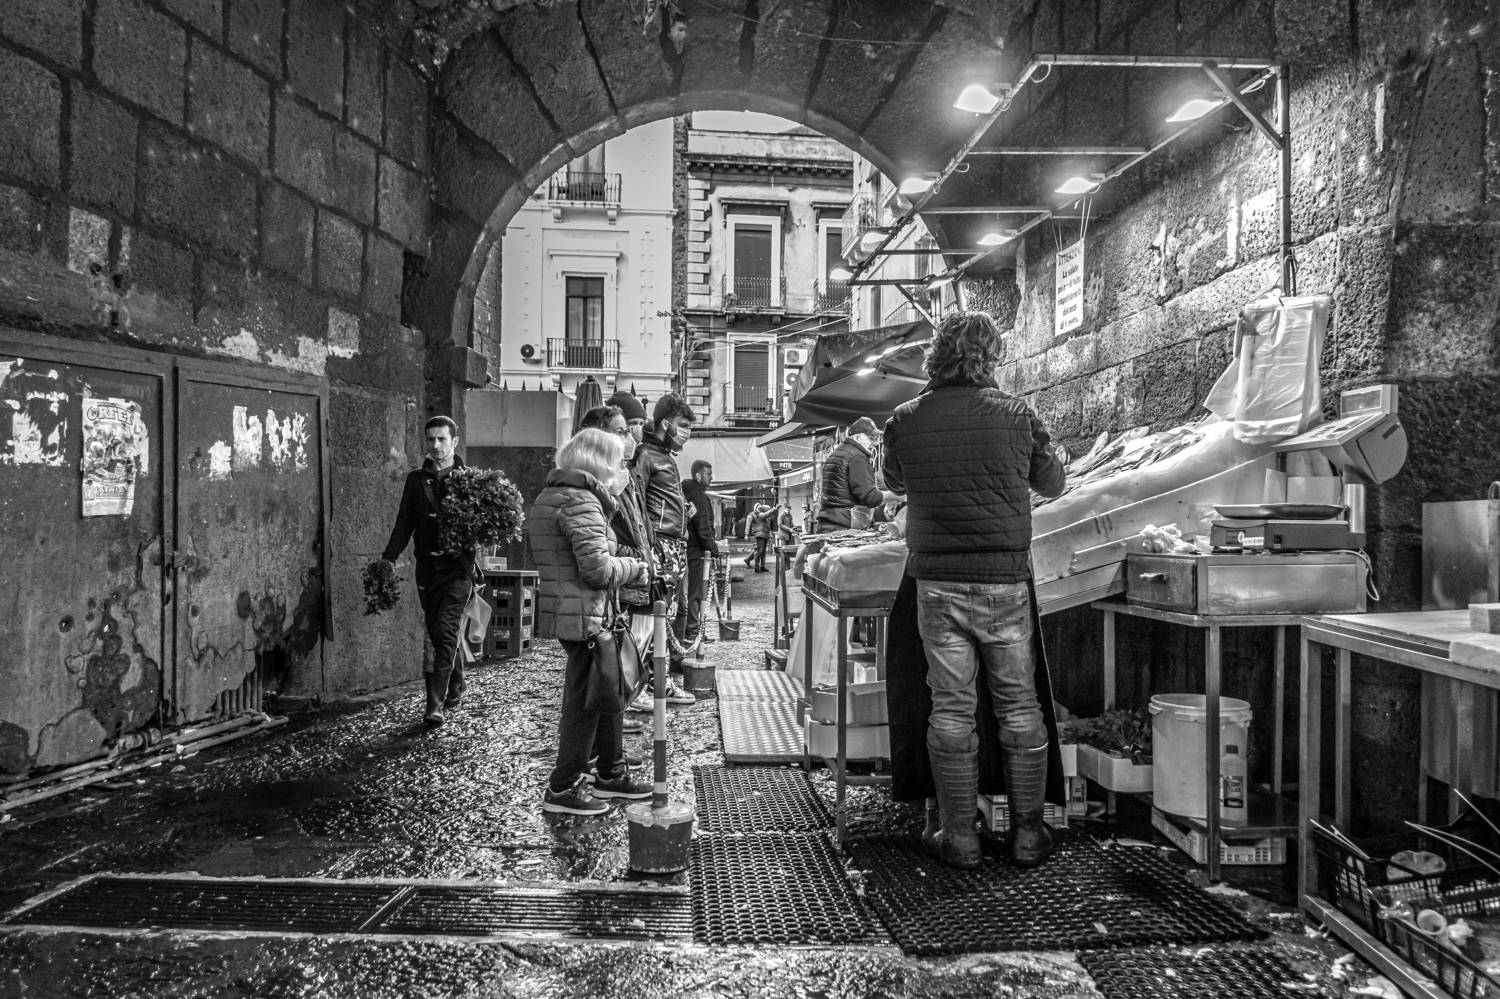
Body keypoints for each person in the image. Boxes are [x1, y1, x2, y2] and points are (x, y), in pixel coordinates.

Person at [882, 311, 1067, 870]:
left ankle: (959, 837)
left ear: (936, 356)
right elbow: (1053, 483)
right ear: (991, 358)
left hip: (936, 584)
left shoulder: (905, 418)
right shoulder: (1017, 414)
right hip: (1004, 580)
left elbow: (893, 481)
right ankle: (1029, 834)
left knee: (951, 706)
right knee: (1019, 703)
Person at [526, 428, 653, 815]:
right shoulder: (580, 500)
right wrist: (635, 567)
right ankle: (563, 787)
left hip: (579, 610)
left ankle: (611, 772)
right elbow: (597, 570)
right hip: (583, 614)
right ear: (599, 462)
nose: (621, 470)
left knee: (606, 691)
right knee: (584, 702)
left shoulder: (558, 494)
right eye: (617, 462)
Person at [382, 415, 478, 727]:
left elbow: (484, 526)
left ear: (454, 442)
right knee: (438, 631)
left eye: (442, 439)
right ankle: (456, 680)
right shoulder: (415, 481)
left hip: (458, 571)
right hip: (427, 571)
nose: (436, 445)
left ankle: (434, 704)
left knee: (445, 630)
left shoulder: (470, 481)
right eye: (431, 439)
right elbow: (403, 523)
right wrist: (387, 560)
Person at [579, 404, 652, 737]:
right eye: (623, 430)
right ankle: (598, 751)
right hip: (601, 591)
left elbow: (635, 528)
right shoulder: (591, 487)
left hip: (617, 583)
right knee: (597, 668)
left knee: (612, 658)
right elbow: (602, 551)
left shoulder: (622, 477)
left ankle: (609, 748)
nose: (631, 436)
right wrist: (635, 562)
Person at [630, 393, 698, 700]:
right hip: (660, 548)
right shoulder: (646, 454)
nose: (687, 432)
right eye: (683, 425)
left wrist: (683, 511)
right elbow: (637, 504)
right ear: (666, 424)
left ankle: (658, 682)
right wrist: (650, 545)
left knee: (662, 617)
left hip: (672, 547)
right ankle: (641, 685)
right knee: (650, 616)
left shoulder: (664, 456)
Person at [816, 416, 898, 532]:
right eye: (871, 438)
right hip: (843, 527)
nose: (875, 442)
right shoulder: (857, 457)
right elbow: (871, 498)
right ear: (858, 437)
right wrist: (899, 496)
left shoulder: (837, 453)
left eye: (876, 438)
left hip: (829, 524)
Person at [680, 459, 720, 650]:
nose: (711, 478)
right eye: (708, 474)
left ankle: (692, 630)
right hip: (696, 551)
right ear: (698, 475)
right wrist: (713, 550)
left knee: (691, 592)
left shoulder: (687, 493)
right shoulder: (700, 497)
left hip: (690, 549)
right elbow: (703, 528)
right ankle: (692, 631)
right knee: (696, 592)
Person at [745, 501, 780, 572]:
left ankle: (760, 565)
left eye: (759, 507)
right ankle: (756, 566)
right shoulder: (758, 515)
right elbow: (748, 526)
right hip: (756, 535)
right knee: (758, 551)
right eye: (757, 507)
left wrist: (770, 535)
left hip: (764, 535)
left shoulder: (764, 516)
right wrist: (746, 534)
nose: (758, 509)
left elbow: (767, 525)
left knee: (761, 552)